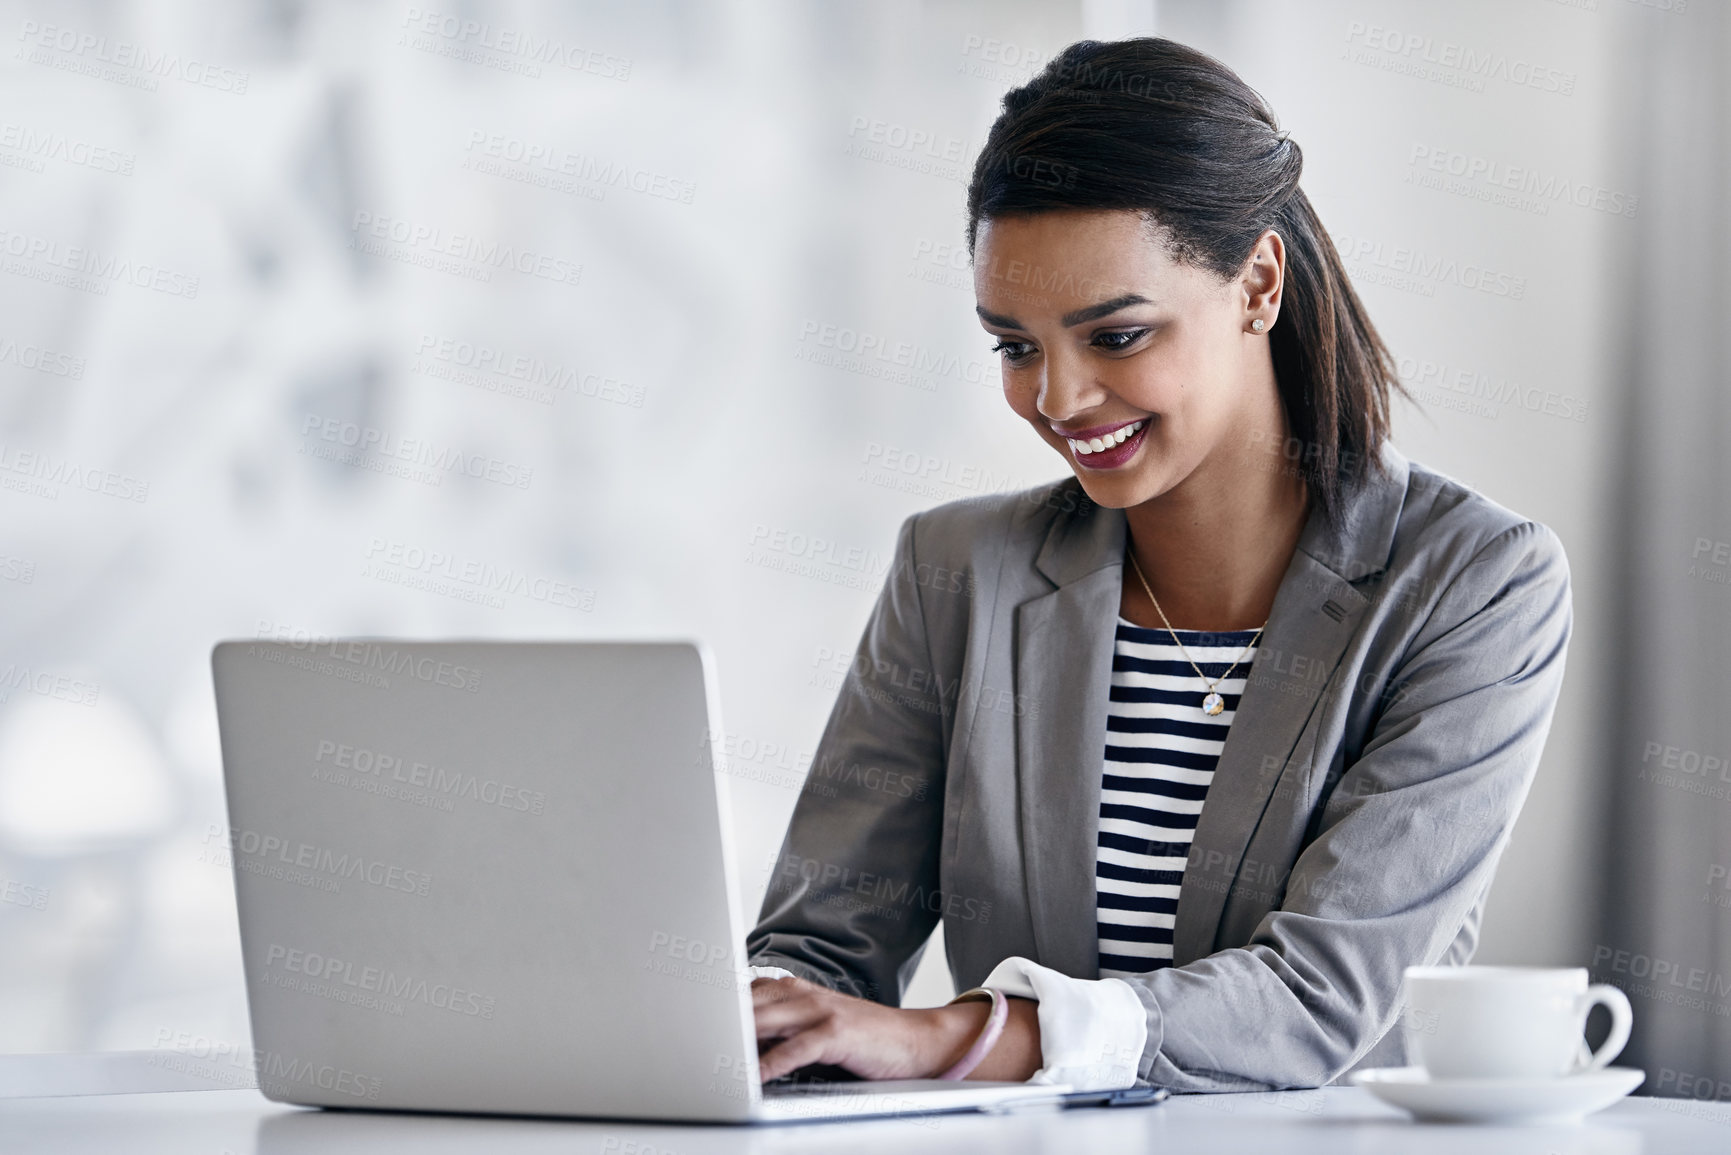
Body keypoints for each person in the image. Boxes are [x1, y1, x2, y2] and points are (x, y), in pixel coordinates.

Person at [745, 36, 1572, 1093]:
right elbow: (817, 950)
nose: (1058, 399)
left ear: (1257, 282)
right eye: (1016, 346)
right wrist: (755, 1025)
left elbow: (1323, 995)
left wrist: (954, 1039)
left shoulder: (1474, 584)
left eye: (1118, 336)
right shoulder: (956, 569)